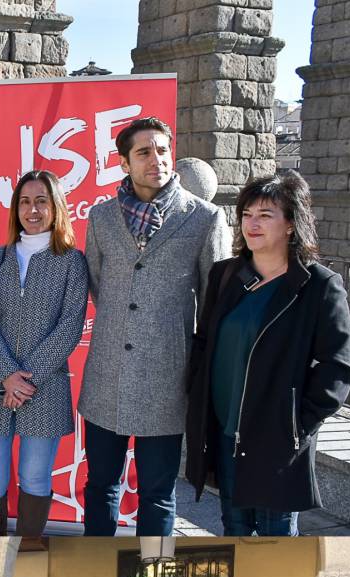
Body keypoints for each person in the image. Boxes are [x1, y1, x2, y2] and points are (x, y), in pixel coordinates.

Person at [79, 116, 231, 535]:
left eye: (162, 150)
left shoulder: (203, 218)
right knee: (101, 487)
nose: (156, 160)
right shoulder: (102, 218)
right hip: (106, 377)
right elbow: (97, 283)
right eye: (143, 152)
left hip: (167, 379)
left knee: (158, 494)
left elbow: (214, 300)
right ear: (124, 162)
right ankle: (94, 574)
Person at [185, 170, 350, 535]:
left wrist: (297, 425)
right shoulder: (226, 275)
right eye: (246, 215)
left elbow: (336, 368)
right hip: (227, 433)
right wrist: (197, 397)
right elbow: (203, 342)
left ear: (291, 224)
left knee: (277, 542)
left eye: (265, 215)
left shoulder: (318, 286)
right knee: (234, 532)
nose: (252, 224)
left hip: (277, 439)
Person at [0, 169, 89, 537]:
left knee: (34, 479)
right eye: (24, 201)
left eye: (41, 201)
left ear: (55, 207)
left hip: (44, 387)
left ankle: (28, 558)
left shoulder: (72, 261)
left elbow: (69, 326)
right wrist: (7, 374)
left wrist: (26, 377)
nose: (32, 210)